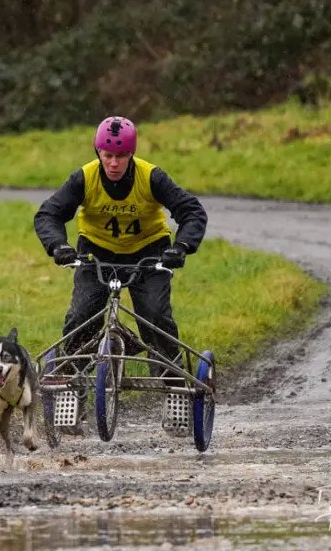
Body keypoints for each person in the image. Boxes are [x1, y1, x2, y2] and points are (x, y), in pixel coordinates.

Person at [33, 115, 208, 385]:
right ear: (98, 153)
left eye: (121, 156)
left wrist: (182, 247)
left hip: (149, 253)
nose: (114, 163)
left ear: (131, 154)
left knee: (155, 316)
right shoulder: (84, 177)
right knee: (81, 316)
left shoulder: (151, 177)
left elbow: (192, 212)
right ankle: (70, 384)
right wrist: (59, 246)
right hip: (97, 253)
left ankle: (173, 385)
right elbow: (48, 214)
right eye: (108, 155)